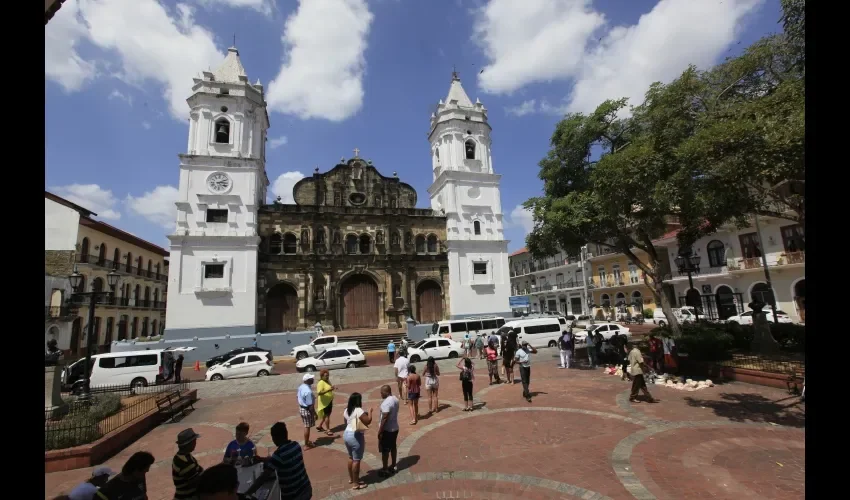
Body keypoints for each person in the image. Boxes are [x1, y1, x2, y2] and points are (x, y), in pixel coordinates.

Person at [244, 422, 312, 500]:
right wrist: (262, 459)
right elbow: (284, 460)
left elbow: (264, 477)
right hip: (305, 489)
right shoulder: (295, 445)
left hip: (293, 496)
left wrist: (248, 492)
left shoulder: (278, 455)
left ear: (275, 438)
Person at [342, 393, 373, 490]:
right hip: (355, 436)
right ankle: (356, 484)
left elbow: (345, 422)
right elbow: (368, 421)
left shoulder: (347, 410)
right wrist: (371, 412)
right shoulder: (359, 410)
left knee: (351, 457)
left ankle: (352, 478)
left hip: (346, 433)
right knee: (357, 460)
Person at [173, 428, 204, 500]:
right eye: (194, 441)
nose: (195, 443)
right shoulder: (185, 462)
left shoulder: (180, 456)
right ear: (189, 443)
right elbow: (196, 482)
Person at [377, 385, 400, 478]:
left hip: (387, 430)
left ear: (386, 392)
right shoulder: (395, 399)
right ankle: (393, 465)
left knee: (385, 450)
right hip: (395, 427)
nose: (381, 394)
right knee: (393, 447)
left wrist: (380, 430)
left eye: (381, 393)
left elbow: (385, 417)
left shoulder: (386, 403)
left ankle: (385, 469)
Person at [297, 374, 317, 448]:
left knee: (306, 425)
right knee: (307, 426)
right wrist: (314, 414)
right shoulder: (308, 391)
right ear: (307, 380)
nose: (313, 379)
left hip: (301, 408)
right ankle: (306, 444)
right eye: (311, 378)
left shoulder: (301, 386)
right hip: (306, 410)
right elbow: (310, 406)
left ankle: (307, 442)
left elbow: (297, 396)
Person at [315, 369, 335, 436]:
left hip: (328, 401)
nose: (327, 377)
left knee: (326, 415)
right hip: (324, 402)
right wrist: (328, 390)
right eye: (326, 376)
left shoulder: (327, 381)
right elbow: (319, 392)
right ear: (322, 376)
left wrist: (332, 388)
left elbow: (329, 388)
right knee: (327, 416)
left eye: (328, 375)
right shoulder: (321, 383)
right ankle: (328, 430)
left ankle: (320, 426)